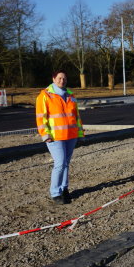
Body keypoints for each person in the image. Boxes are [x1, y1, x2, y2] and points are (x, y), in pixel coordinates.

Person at [36, 70, 84, 204]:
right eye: (59, 78)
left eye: (64, 78)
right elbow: (41, 117)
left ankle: (64, 189)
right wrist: (45, 135)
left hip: (71, 135)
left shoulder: (70, 95)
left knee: (66, 164)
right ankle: (55, 192)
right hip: (55, 136)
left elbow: (76, 116)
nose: (62, 81)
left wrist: (80, 134)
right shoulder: (45, 95)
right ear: (53, 78)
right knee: (60, 163)